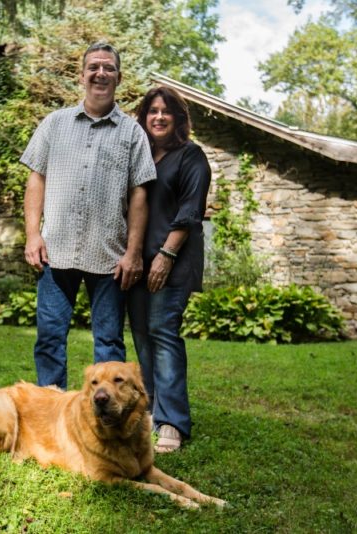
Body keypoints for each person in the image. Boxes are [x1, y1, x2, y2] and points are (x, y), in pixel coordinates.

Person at [19, 42, 156, 390]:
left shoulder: (132, 133)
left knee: (109, 344)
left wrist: (133, 253)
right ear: (82, 76)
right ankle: (52, 410)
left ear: (118, 77)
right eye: (93, 67)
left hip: (109, 257)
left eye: (108, 68)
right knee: (50, 337)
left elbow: (140, 194)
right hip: (56, 251)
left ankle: (106, 417)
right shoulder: (54, 124)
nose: (100, 73)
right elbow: (36, 178)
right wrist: (33, 235)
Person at [127, 86, 211, 453]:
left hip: (172, 263)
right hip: (136, 264)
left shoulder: (190, 156)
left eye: (166, 111)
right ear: (144, 117)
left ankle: (173, 422)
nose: (158, 116)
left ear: (177, 118)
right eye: (152, 111)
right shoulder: (141, 156)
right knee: (142, 336)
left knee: (162, 332)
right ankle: (150, 412)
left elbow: (190, 211)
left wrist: (165, 256)